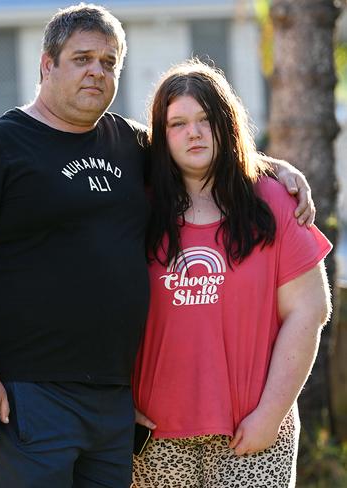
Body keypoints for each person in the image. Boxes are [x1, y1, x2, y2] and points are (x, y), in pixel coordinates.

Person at [0, 4, 313, 487]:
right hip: (22, 390)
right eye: (82, 58)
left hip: (112, 401)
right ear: (46, 64)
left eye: (109, 62)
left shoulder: (130, 145)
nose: (97, 71)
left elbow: (198, 146)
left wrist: (271, 167)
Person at [132, 59, 331, 488]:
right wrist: (117, 399)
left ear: (227, 124)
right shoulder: (136, 208)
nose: (194, 133)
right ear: (160, 137)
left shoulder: (275, 201)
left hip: (254, 431)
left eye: (205, 119)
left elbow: (310, 310)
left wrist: (270, 415)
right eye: (178, 123)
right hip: (154, 436)